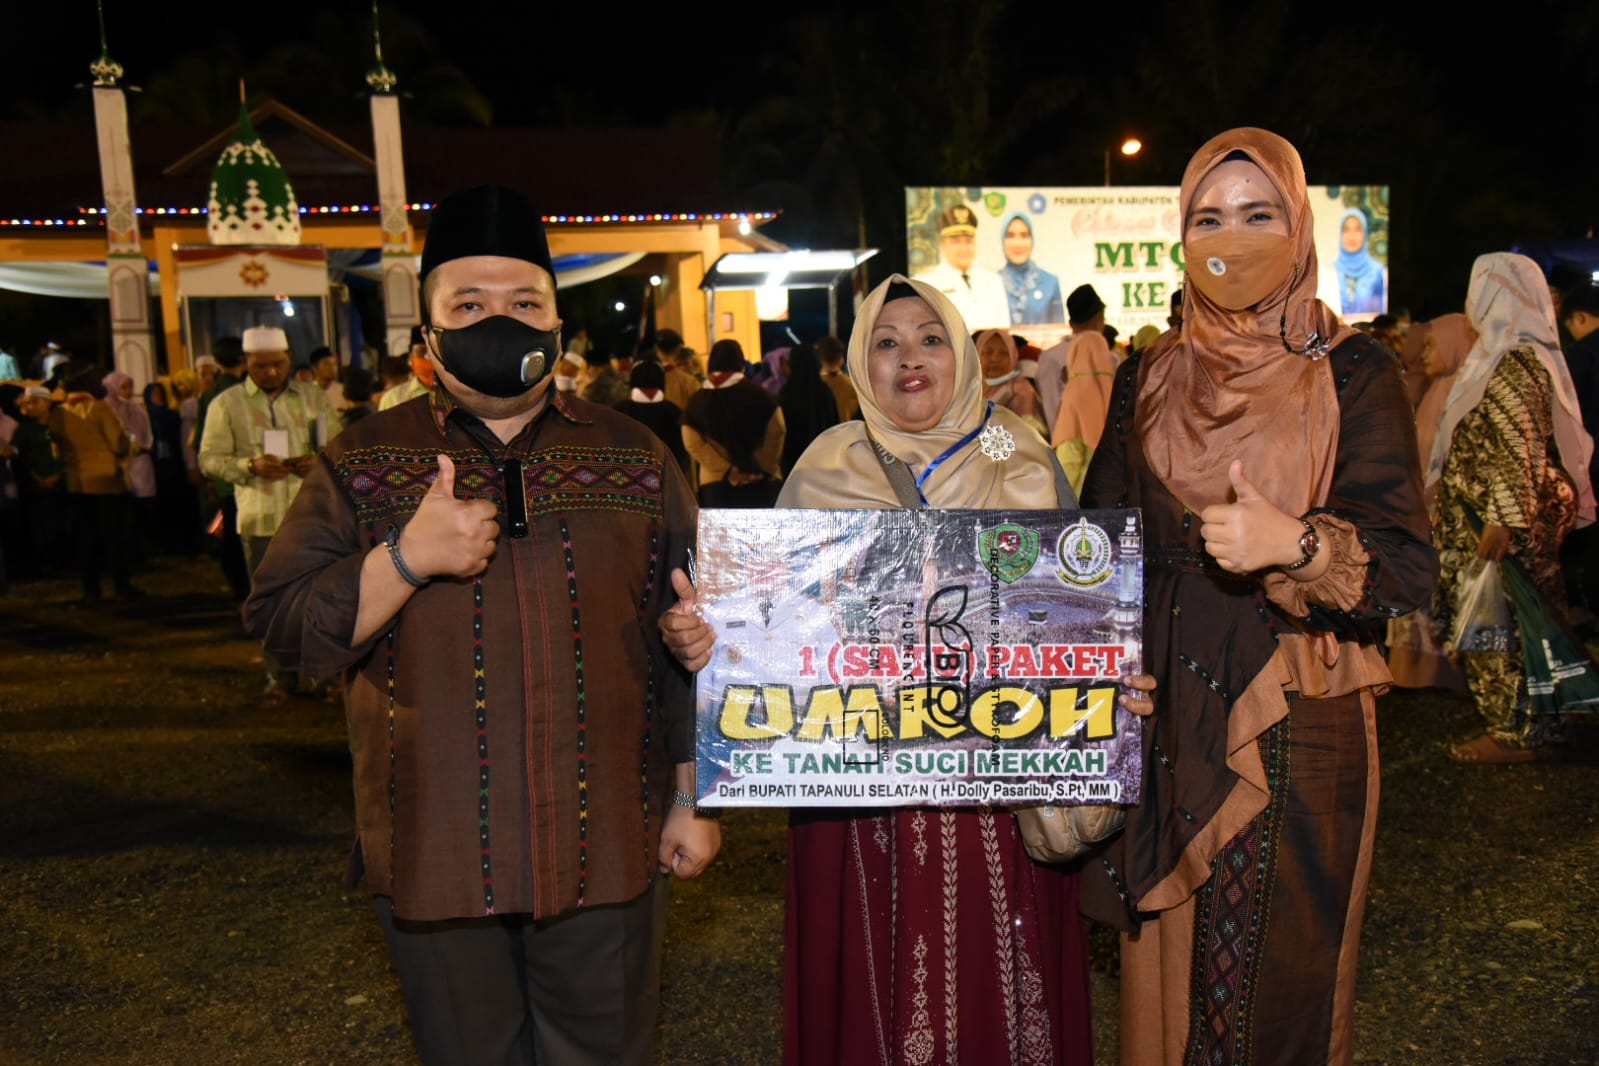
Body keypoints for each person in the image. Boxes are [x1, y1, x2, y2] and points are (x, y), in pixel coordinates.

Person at [242, 183, 717, 1066]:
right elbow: (283, 629)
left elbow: (694, 644)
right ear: (426, 333)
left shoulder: (635, 458)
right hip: (438, 848)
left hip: (610, 840)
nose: (499, 320)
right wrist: (403, 560)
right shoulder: (363, 462)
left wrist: (692, 798)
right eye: (468, 304)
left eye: (524, 302)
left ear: (558, 322)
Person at [662, 273, 1141, 1065]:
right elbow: (771, 634)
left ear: (960, 354)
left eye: (929, 339)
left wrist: (1115, 682)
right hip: (857, 805)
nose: (909, 358)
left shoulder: (1020, 456)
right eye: (885, 343)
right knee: (873, 990)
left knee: (1003, 991)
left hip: (1002, 798)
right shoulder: (826, 465)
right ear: (860, 363)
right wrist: (707, 640)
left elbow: (1077, 620)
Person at [1077, 127, 1437, 1066]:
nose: (1229, 238)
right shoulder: (1145, 376)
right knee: (1168, 987)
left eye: (1257, 214)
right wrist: (1102, 669)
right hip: (1165, 713)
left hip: (1297, 717)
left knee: (1276, 985)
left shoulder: (1353, 372)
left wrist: (1298, 545)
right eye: (1206, 218)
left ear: (1298, 225)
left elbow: (1405, 569)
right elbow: (1095, 554)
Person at [1427, 253, 1594, 763]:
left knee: (1500, 628)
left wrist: (1501, 521)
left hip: (1498, 525)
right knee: (1511, 624)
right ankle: (1533, 726)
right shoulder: (1498, 356)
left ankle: (1514, 732)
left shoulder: (1515, 361)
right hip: (1487, 516)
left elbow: (1518, 447)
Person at [201, 325, 335, 702]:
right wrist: (249, 466)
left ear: (289, 359)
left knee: (320, 599)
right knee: (271, 603)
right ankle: (281, 678)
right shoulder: (226, 404)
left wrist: (320, 462)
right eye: (261, 366)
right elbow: (209, 458)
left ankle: (325, 677)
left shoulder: (313, 398)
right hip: (260, 519)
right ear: (247, 363)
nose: (271, 372)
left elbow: (338, 445)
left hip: (312, 518)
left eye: (278, 364)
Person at [1386, 314, 1473, 692]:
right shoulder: (1435, 390)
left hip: (1445, 514)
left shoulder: (1466, 394)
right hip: (1420, 509)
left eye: (1432, 346)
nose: (1424, 355)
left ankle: (1443, 672)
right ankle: (1416, 670)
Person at [51, 369, 142, 603]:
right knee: (114, 537)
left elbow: (56, 449)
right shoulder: (99, 408)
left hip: (77, 484)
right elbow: (118, 443)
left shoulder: (59, 413)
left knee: (86, 539)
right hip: (106, 482)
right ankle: (122, 585)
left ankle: (91, 589)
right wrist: (129, 446)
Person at [681, 339, 786, 507]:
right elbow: (777, 430)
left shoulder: (697, 401)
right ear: (740, 363)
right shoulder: (762, 396)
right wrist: (759, 467)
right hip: (762, 481)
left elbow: (692, 441)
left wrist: (727, 470)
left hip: (715, 483)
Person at [193, 337, 252, 602]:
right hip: (249, 476)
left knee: (231, 535)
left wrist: (209, 478)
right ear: (244, 359)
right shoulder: (244, 393)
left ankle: (240, 591)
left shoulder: (209, 394)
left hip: (223, 479)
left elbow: (201, 442)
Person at [1045, 286, 1118, 495]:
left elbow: (1050, 403)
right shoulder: (1096, 342)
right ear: (1099, 319)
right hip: (1092, 435)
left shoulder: (1054, 357)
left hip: (1065, 429)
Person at [913, 204, 1012, 330]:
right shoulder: (926, 284)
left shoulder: (993, 281)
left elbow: (1004, 331)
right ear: (942, 244)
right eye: (956, 242)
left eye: (968, 241)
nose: (963, 248)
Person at [612, 359, 690, 475]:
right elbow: (681, 451)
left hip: (625, 478)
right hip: (666, 476)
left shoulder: (618, 411)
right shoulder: (674, 412)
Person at [775, 343, 839, 474]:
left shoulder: (787, 392)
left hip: (794, 462)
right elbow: (835, 424)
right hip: (822, 459)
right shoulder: (824, 391)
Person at [974, 327, 1046, 437]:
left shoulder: (1021, 390)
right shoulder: (971, 388)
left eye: (1004, 353)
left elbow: (1030, 434)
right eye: (988, 353)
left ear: (1013, 356)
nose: (995, 358)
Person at [998, 211, 1065, 325]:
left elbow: (1060, 331)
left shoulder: (1050, 283)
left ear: (1032, 240)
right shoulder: (992, 284)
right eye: (1010, 236)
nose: (1017, 244)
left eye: (1024, 235)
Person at [1333, 207, 1386, 315]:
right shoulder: (1331, 271)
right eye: (1346, 230)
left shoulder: (1377, 271)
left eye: (1357, 230)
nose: (1351, 237)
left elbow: (1383, 311)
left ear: (1365, 234)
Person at [815, 335, 858, 421]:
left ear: (820, 359)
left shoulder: (813, 385)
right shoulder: (852, 384)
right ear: (841, 359)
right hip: (846, 428)